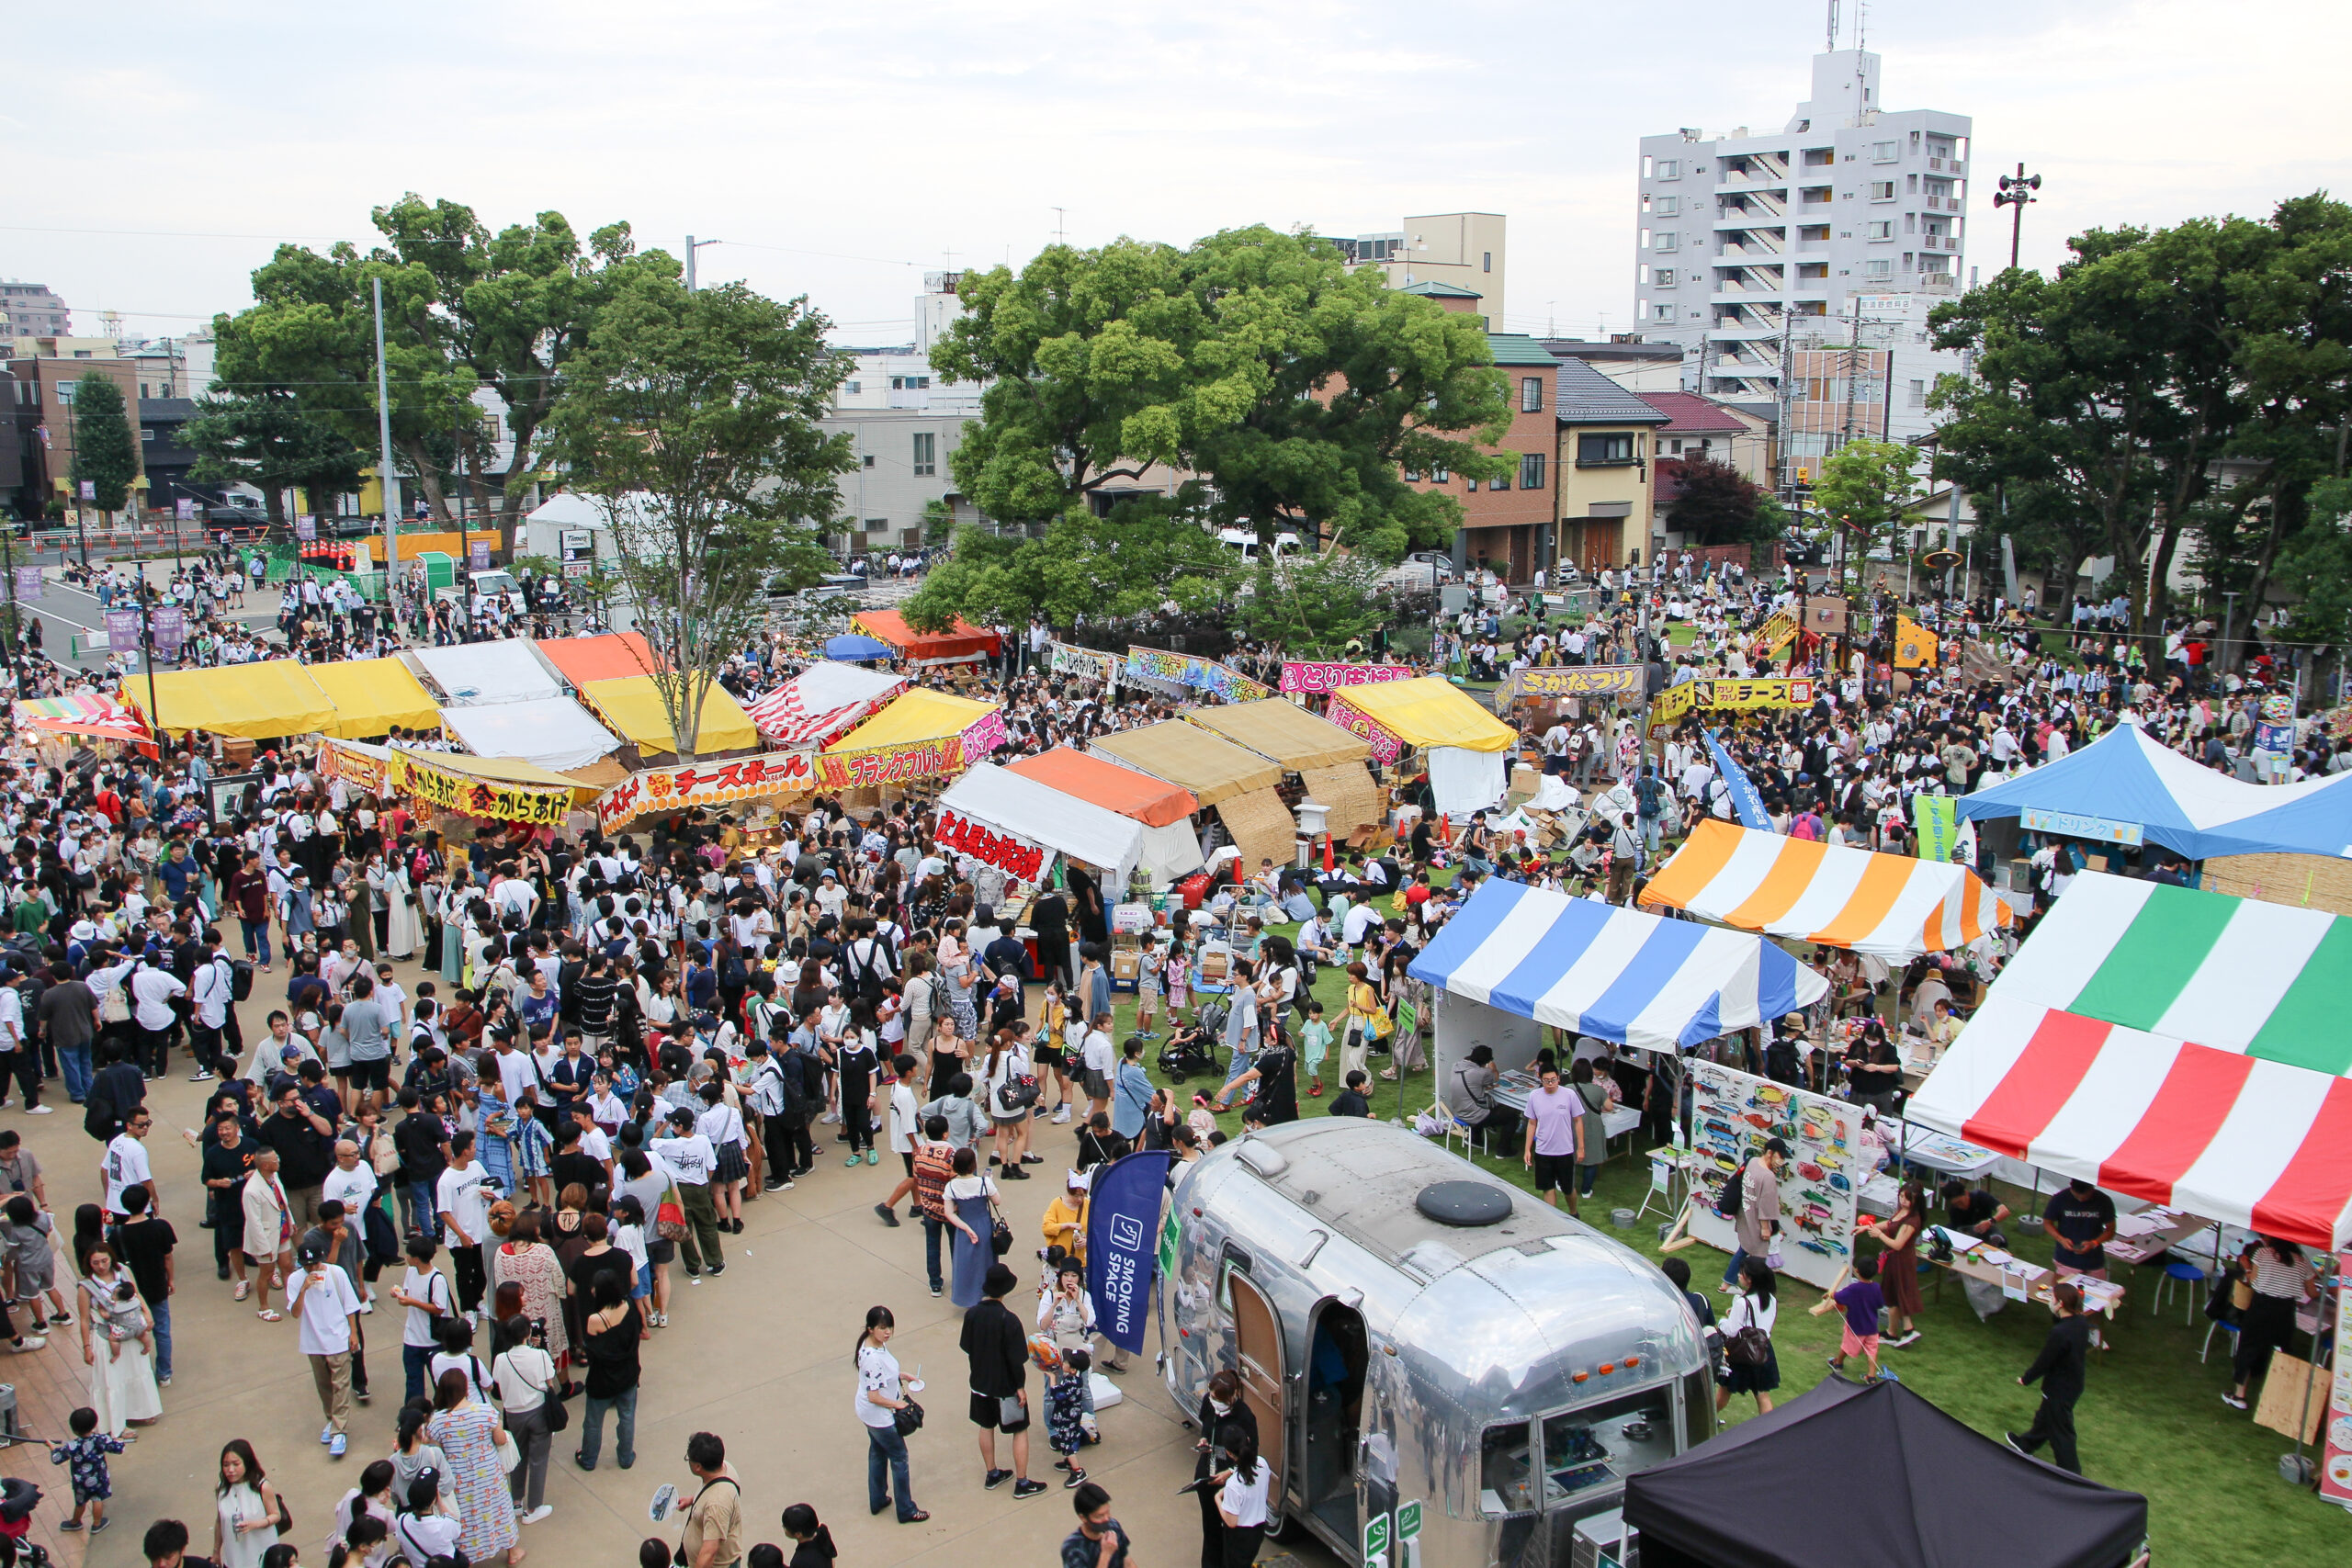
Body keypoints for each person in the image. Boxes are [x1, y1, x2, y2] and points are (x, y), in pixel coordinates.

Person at [960, 1261, 1046, 1497]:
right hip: (1006, 1387)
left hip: (979, 1384)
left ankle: (992, 1473)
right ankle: (1022, 1482)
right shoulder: (1009, 1320)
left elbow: (966, 1347)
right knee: (1019, 1430)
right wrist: (1020, 1387)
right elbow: (1017, 1358)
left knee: (985, 1426)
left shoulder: (972, 1315)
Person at [427, 1365, 523, 1565]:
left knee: (467, 1516)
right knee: (499, 1509)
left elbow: (436, 1450)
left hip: (459, 1477)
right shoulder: (486, 1411)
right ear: (465, 1389)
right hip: (489, 1473)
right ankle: (512, 1552)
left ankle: (468, 1557)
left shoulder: (438, 1421)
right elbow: (499, 1439)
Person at [284, 1238, 362, 1458]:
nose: (312, 1269)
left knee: (341, 1385)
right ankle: (332, 1419)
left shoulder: (337, 1274)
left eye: (316, 1264)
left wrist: (353, 1333)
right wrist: (304, 1289)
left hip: (338, 1338)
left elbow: (350, 1305)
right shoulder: (295, 1280)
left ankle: (340, 1429)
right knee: (324, 1385)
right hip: (313, 1341)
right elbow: (295, 1313)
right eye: (308, 1266)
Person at [2224, 1235, 2319, 1414]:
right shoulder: (2302, 1261)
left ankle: (2239, 1395)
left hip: (2261, 1306)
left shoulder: (2262, 1253)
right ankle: (2282, 1395)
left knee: (2249, 1347)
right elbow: (2312, 1292)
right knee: (2284, 1350)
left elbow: (2253, 1281)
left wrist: (2246, 1268)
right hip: (2285, 1310)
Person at [2007, 1281, 2091, 1474]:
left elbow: (2045, 1361)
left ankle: (2071, 1474)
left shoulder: (2059, 1333)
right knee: (2046, 1416)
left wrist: (2027, 1378)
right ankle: (2026, 1444)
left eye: (2052, 1299)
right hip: (2074, 1383)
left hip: (2059, 1388)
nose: (2050, 1301)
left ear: (2060, 1304)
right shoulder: (2081, 1322)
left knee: (2061, 1432)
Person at [77, 1242, 162, 1435]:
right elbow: (83, 1319)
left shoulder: (123, 1271)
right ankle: (117, 1424)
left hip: (131, 1331)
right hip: (106, 1336)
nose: (101, 1266)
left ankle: (142, 1411)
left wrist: (147, 1313)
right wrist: (86, 1346)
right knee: (113, 1378)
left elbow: (137, 1294)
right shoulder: (86, 1287)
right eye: (96, 1262)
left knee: (137, 1369)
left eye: (104, 1260)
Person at [854, 1304, 928, 1523]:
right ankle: (906, 1509)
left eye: (889, 1328)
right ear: (870, 1329)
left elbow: (883, 1376)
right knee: (899, 1457)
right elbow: (874, 1396)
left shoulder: (875, 1346)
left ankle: (877, 1499)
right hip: (879, 1417)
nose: (887, 1332)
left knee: (877, 1452)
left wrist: (902, 1376)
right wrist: (898, 1405)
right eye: (882, 1328)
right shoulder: (872, 1357)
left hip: (869, 1415)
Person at [492, 1315, 559, 1525]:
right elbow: (550, 1382)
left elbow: (497, 1383)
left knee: (517, 1457)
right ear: (528, 1334)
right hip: (537, 1411)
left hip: (513, 1414)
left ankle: (516, 1501)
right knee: (538, 1459)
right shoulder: (540, 1356)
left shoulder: (501, 1360)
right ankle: (534, 1506)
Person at [576, 1267, 643, 1472]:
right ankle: (625, 1456)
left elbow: (591, 1348)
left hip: (602, 1380)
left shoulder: (595, 1320)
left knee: (593, 1422)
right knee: (627, 1416)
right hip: (628, 1374)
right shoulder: (630, 1306)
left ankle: (588, 1458)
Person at [1192, 1368, 1254, 1568]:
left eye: (1218, 1399)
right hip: (1207, 1471)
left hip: (1230, 1478)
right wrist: (1203, 1439)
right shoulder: (1209, 1404)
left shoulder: (1244, 1416)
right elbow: (1206, 1425)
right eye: (1211, 1396)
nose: (1213, 1402)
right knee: (1210, 1526)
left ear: (1232, 1396)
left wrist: (1230, 1473)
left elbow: (1253, 1453)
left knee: (1230, 1529)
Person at [1861, 1180, 1926, 1348]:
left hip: (1901, 1260)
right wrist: (1866, 1228)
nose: (1903, 1201)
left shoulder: (1912, 1221)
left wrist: (1878, 1235)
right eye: (1901, 1197)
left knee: (1898, 1294)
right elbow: (1889, 1224)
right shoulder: (1902, 1212)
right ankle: (1896, 1332)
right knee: (1894, 1295)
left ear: (1916, 1201)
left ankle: (1905, 1330)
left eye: (1907, 1198)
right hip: (1893, 1259)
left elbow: (1898, 1244)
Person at [1714, 1257, 1780, 1416]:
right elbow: (1763, 1323)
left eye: (1741, 1273)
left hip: (1740, 1353)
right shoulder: (1771, 1299)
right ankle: (1768, 1430)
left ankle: (1703, 1421)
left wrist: (1722, 1321)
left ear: (1750, 1280)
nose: (1738, 1275)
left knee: (1724, 1393)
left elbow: (1731, 1331)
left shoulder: (1742, 1303)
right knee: (1762, 1395)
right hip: (1762, 1350)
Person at [48, 1404, 125, 1534]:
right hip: (99, 1478)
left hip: (80, 1482)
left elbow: (56, 1458)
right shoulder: (101, 1439)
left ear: (74, 1430)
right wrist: (119, 1441)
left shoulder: (72, 1446)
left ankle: (74, 1522)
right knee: (97, 1499)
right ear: (94, 1424)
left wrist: (51, 1447)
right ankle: (97, 1524)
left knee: (80, 1503)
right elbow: (118, 1448)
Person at [1724, 1137, 1787, 1290]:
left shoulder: (1752, 1162)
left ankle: (1726, 1283)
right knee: (1758, 1258)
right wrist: (1766, 1227)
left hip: (1745, 1214)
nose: (1782, 1161)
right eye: (1781, 1156)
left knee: (1743, 1249)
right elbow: (1766, 1204)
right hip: (1757, 1222)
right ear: (1770, 1153)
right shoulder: (1768, 1176)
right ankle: (1755, 1289)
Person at [1521, 1062, 1584, 1213]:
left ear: (1559, 1079)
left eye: (1553, 1080)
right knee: (1548, 1188)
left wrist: (1581, 1147)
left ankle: (1574, 1213)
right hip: (1543, 1151)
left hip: (1565, 1151)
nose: (1550, 1084)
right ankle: (1553, 1218)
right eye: (1546, 1080)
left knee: (1568, 1189)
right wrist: (1527, 1149)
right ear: (1540, 1079)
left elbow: (1578, 1121)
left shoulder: (1569, 1095)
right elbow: (1531, 1123)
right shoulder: (1535, 1096)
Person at [1813, 1254, 1885, 1381]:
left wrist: (1831, 1294)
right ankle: (1871, 1376)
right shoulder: (1876, 1288)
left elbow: (1840, 1297)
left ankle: (1838, 1364)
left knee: (1847, 1346)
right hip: (1872, 1327)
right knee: (1871, 1350)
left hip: (1856, 1327)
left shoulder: (1854, 1288)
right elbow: (1880, 1304)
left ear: (1857, 1270)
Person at [214, 1438, 285, 1568]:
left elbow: (275, 1515)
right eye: (226, 1465)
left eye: (236, 1464)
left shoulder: (261, 1487)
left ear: (247, 1463)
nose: (230, 1470)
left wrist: (255, 1524)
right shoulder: (221, 1489)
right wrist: (216, 1551)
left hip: (260, 1551)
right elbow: (220, 1521)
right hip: (234, 1556)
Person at [679, 1431, 744, 1568]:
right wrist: (692, 1500)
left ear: (698, 1467)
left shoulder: (717, 1504)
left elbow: (709, 1551)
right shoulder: (722, 1467)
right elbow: (710, 1491)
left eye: (689, 1459)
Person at [1213, 1427, 1270, 1568]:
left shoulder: (1234, 1485)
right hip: (1258, 1529)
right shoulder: (1262, 1463)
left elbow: (1231, 1522)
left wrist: (1218, 1499)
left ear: (1229, 1453)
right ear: (1248, 1440)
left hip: (1240, 1537)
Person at [1444, 1043, 1519, 1147]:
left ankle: (1476, 1139)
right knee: (1512, 1115)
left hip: (1459, 1110)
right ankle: (1503, 1150)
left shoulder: (1456, 1066)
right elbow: (1496, 1078)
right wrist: (1493, 1068)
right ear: (1485, 1062)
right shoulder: (1482, 1073)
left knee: (1477, 1103)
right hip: (1474, 1115)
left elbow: (1473, 1085)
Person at [2043, 1177, 2116, 1281]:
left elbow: (2110, 1230)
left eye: (2085, 1197)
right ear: (2071, 1186)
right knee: (2065, 1294)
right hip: (2066, 1259)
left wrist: (2094, 1243)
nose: (2081, 1200)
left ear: (2092, 1188)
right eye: (2077, 1196)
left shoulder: (2104, 1201)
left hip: (2094, 1260)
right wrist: (2061, 1239)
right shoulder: (2060, 1199)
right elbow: (2047, 1222)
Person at [1062, 1482, 1131, 1568]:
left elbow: (1126, 1560)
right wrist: (1106, 1554)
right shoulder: (1073, 1549)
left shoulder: (1114, 1526)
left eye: (1108, 1512)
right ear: (1083, 1518)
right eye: (1100, 1516)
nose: (1107, 1519)